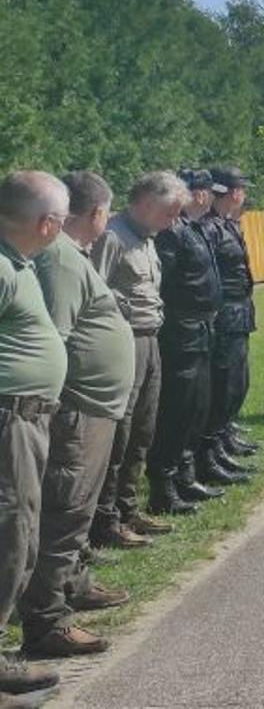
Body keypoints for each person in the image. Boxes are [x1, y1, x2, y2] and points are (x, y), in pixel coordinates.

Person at [19, 171, 135, 658]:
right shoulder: (60, 260)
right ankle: (48, 619)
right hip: (76, 413)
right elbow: (57, 339)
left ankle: (71, 583)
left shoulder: (69, 255)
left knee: (76, 510)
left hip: (91, 410)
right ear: (96, 213)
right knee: (63, 512)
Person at [0, 171, 71, 700]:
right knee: (10, 535)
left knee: (19, 533)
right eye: (62, 220)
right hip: (9, 422)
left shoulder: (17, 263)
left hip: (26, 419)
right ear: (47, 224)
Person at [90, 172, 187, 549]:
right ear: (146, 203)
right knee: (121, 433)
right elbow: (94, 292)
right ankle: (106, 520)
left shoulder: (147, 239)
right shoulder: (112, 237)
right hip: (124, 342)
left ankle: (128, 509)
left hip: (150, 340)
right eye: (170, 212)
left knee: (144, 429)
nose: (174, 221)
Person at [150, 170, 225, 512]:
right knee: (177, 410)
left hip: (200, 330)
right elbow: (163, 285)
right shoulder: (171, 233)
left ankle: (186, 474)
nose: (207, 198)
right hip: (180, 332)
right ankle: (164, 488)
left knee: (196, 407)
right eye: (204, 191)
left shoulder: (191, 228)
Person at [203, 168, 258, 477]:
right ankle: (213, 450)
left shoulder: (226, 225)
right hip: (224, 314)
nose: (244, 194)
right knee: (224, 384)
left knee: (237, 382)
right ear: (231, 192)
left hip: (239, 311)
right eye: (241, 188)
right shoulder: (210, 228)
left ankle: (224, 439)